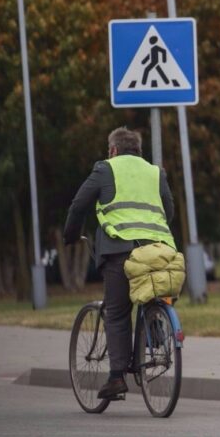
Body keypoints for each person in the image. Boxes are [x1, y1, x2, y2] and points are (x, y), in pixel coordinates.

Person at [63, 127, 175, 400]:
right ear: (138, 150)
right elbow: (168, 209)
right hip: (158, 248)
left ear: (113, 150)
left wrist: (70, 235)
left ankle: (116, 378)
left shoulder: (105, 169)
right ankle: (157, 327)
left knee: (116, 311)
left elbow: (79, 205)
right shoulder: (155, 172)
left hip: (120, 249)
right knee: (152, 294)